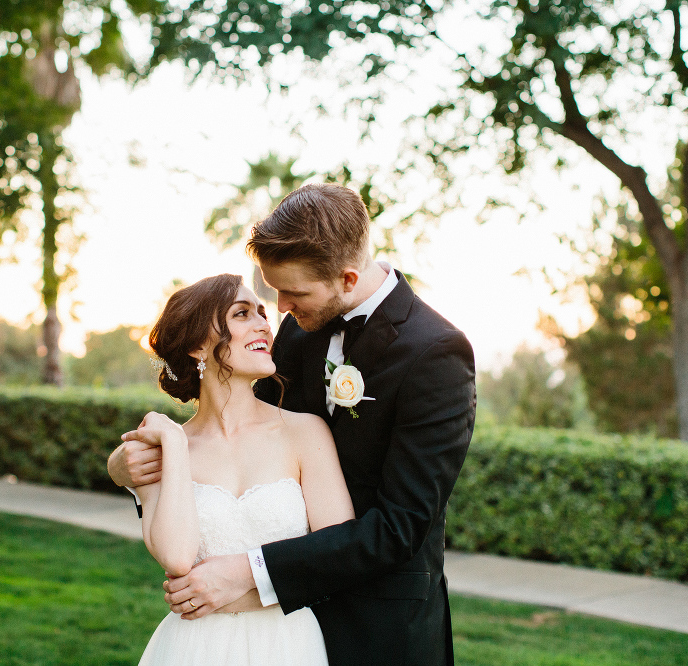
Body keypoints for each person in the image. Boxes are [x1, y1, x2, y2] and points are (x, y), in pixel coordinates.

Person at [109, 183, 476, 665]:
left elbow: (400, 526)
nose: (279, 307)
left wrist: (247, 575)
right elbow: (233, 426)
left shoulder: (435, 352)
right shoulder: (300, 332)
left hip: (379, 626)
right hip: (265, 624)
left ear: (347, 278)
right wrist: (127, 468)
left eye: (291, 292)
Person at [127, 272, 355, 666]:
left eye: (262, 313)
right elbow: (178, 559)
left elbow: (340, 556)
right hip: (193, 650)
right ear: (199, 345)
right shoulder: (163, 452)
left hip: (289, 646)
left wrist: (245, 592)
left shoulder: (304, 432)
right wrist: (177, 446)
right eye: (242, 314)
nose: (264, 324)